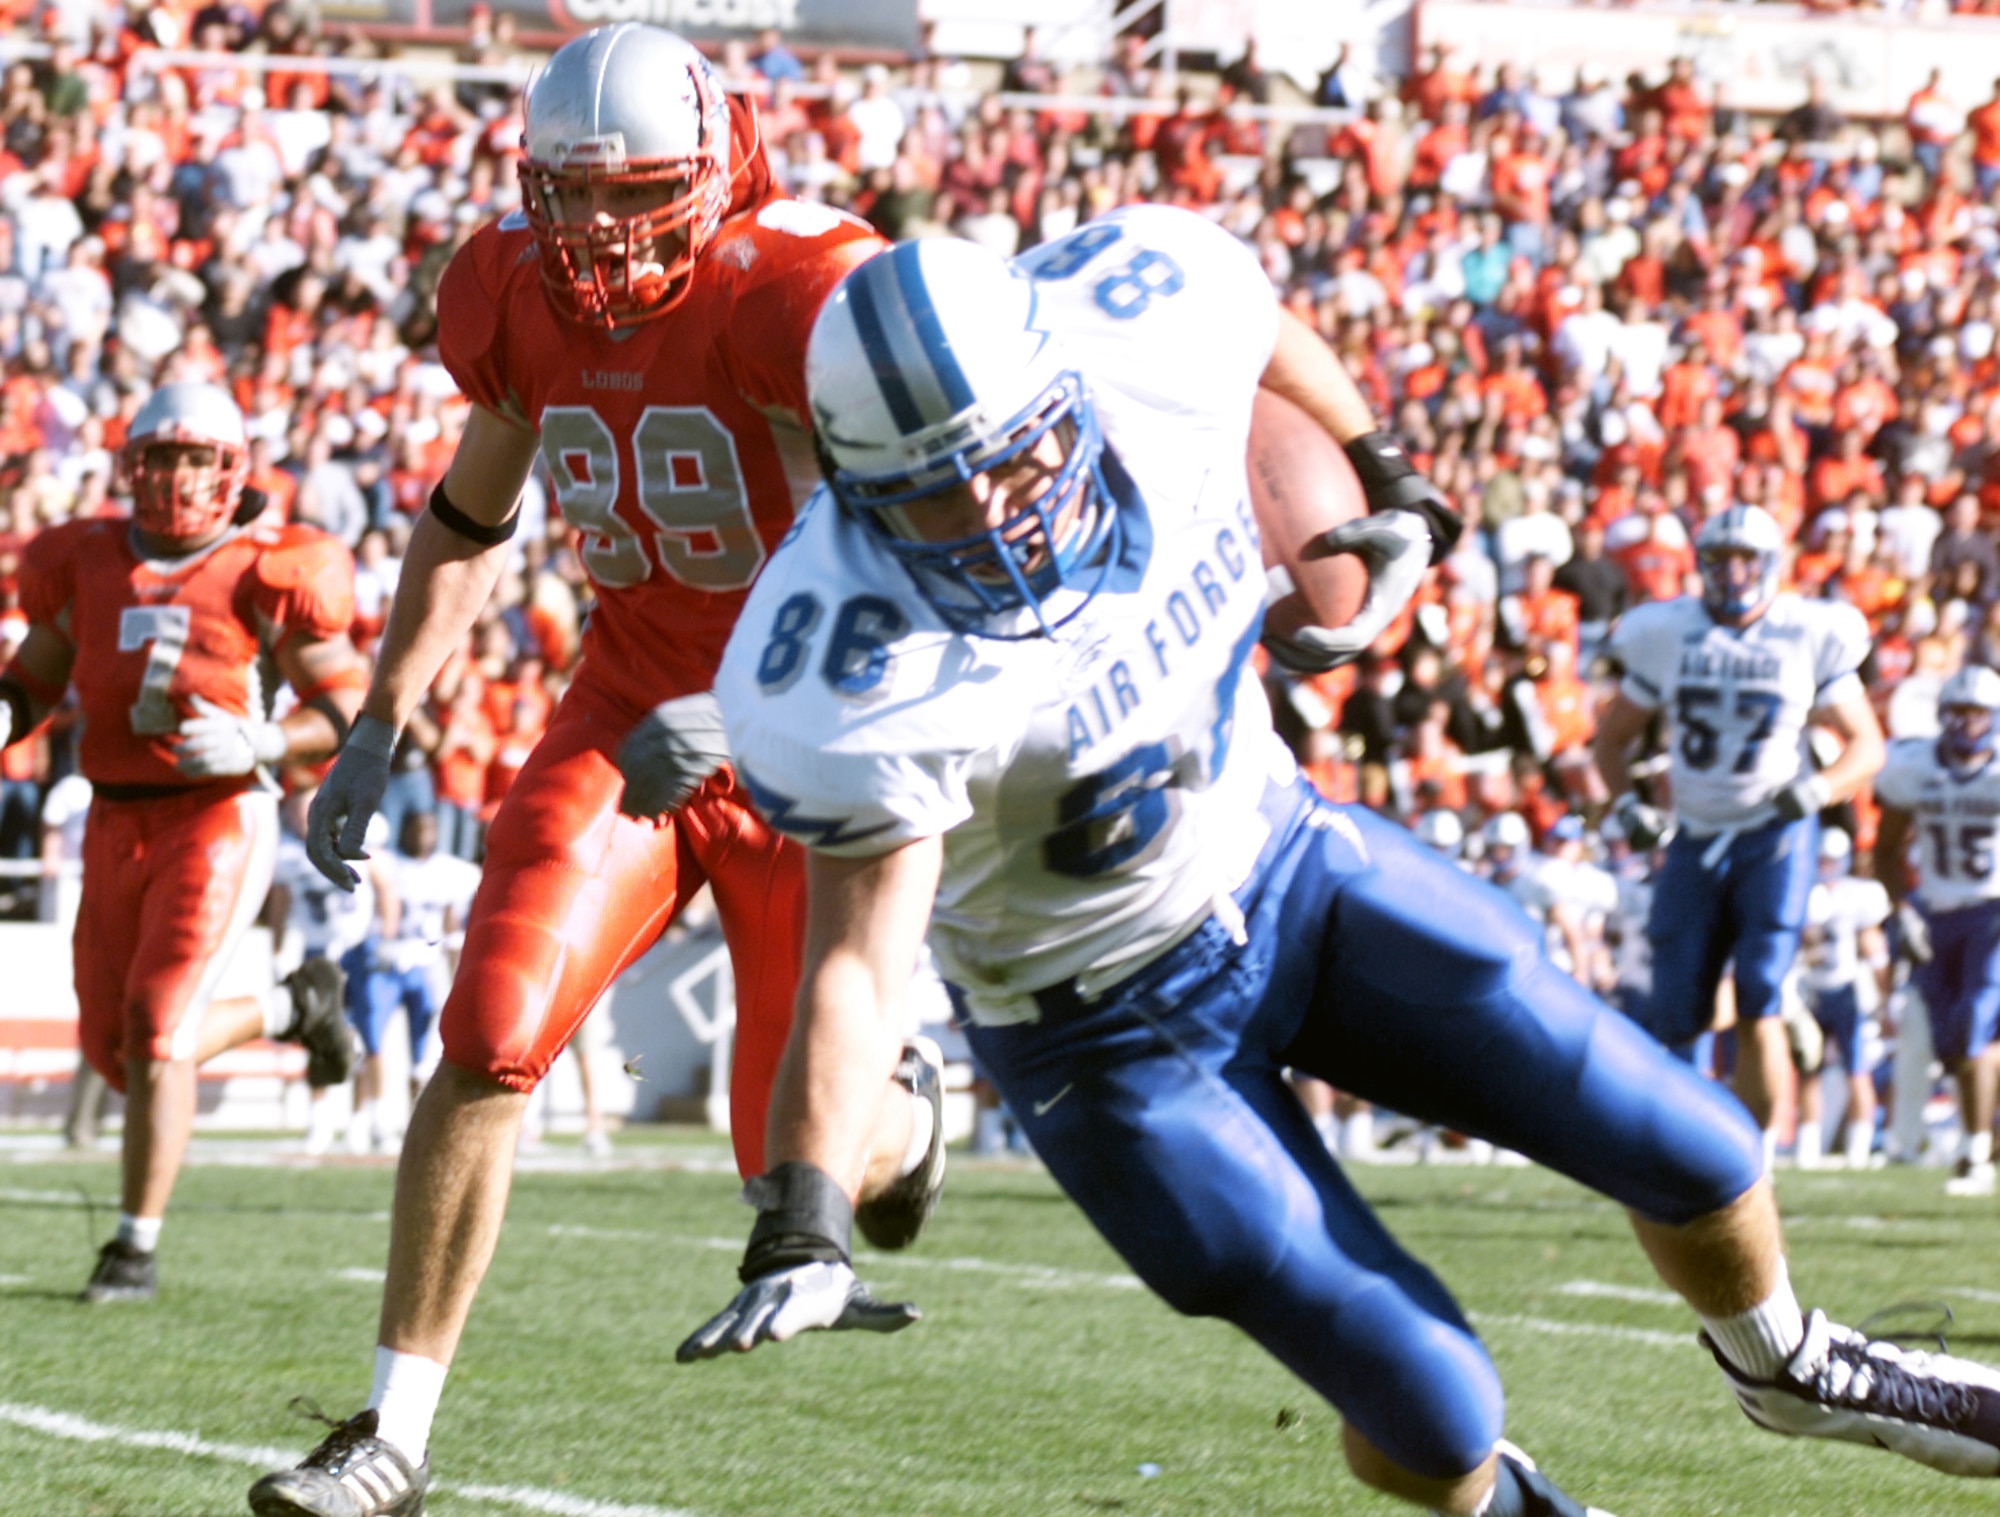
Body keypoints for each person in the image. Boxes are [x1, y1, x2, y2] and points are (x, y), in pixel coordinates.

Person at [674, 216, 2000, 1511]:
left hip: (1291, 866)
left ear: (1068, 391)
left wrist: (1384, 463)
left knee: (1695, 1141)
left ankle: (1791, 1366)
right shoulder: (847, 660)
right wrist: (804, 1217)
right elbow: (858, 960)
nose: (987, 519)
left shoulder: (1147, 325)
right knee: (1437, 1404)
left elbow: (1263, 325)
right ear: (852, 485)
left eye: (1011, 462)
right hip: (1104, 1033)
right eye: (927, 494)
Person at [251, 28, 945, 1516]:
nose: (596, 233)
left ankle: (910, 1116)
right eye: (568, 198)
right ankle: (391, 1435)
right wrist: (381, 716)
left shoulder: (796, 286)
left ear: (711, 176)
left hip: (801, 738)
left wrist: (765, 705)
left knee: (805, 1164)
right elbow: (465, 510)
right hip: (624, 705)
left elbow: (914, 537)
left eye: (634, 196)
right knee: (490, 1026)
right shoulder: (509, 290)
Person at [0, 381, 365, 1302]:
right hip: (111, 813)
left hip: (215, 809)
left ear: (230, 468)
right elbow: (32, 684)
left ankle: (133, 1247)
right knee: (115, 1048)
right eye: (156, 456)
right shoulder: (82, 559)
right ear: (129, 463)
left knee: (159, 1027)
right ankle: (290, 1009)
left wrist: (270, 740)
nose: (171, 476)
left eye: (192, 457)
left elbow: (347, 702)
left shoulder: (265, 566)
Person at [1594, 505, 1885, 1161]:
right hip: (1694, 833)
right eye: (1720, 559)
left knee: (1759, 987)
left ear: (1771, 566)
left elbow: (1866, 747)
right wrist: (1624, 806)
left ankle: (1750, 1155)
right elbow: (1611, 740)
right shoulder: (1665, 632)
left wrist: (1818, 787)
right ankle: (1685, 1150)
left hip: (1772, 834)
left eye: (1745, 559)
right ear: (1700, 566)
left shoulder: (1808, 631)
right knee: (1678, 1006)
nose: (1733, 573)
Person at [1873, 665, 2000, 1198]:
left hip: (1993, 911)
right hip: (1936, 913)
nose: (1968, 725)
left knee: (1973, 1027)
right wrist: (1902, 910)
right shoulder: (1913, 766)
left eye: (1978, 714)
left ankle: (1975, 1157)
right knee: (1954, 1044)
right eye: (1958, 713)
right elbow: (1885, 850)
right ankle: (1982, 1141)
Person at [1794, 827, 1890, 1171]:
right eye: (1820, 859)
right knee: (1809, 1072)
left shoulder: (1858, 894)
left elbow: (1872, 946)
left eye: (1831, 860)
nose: (1825, 866)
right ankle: (1807, 1148)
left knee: (1857, 1070)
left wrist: (1884, 998)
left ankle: (1858, 1149)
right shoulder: (1801, 891)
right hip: (1809, 991)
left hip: (1846, 990)